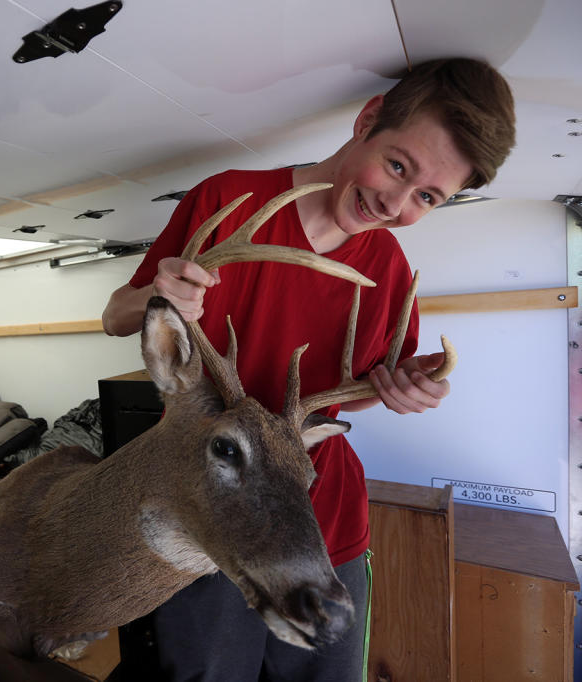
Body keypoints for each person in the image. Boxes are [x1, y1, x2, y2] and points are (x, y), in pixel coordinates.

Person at [102, 58, 515, 681]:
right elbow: (114, 317)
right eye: (398, 166)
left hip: (321, 517)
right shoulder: (227, 199)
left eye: (427, 197)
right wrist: (158, 296)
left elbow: (358, 391)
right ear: (368, 119)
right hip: (208, 511)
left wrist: (401, 389)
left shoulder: (391, 273)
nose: (395, 204)